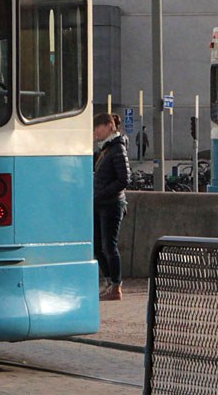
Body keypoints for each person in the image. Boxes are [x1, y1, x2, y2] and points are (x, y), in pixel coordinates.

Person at [93, 112, 130, 301]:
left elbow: (124, 178)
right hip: (99, 204)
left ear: (109, 126)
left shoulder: (117, 148)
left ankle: (116, 286)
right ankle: (109, 282)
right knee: (98, 247)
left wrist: (104, 192)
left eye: (98, 128)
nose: (95, 133)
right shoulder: (104, 149)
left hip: (112, 204)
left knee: (109, 246)